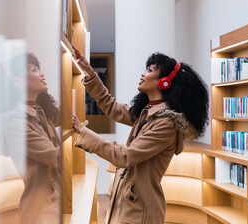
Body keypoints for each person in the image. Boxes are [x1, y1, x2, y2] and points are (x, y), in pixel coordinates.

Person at [72, 47, 209, 224]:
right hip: (130, 205)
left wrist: (83, 132)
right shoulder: (148, 112)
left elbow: (125, 157)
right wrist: (90, 73)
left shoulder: (166, 124)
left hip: (140, 212)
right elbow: (112, 107)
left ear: (165, 82)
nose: (143, 74)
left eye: (150, 70)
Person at [3, 52, 61, 224]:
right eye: (35, 70)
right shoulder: (15, 124)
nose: (42, 74)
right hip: (40, 212)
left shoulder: (40, 113)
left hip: (51, 205)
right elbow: (56, 157)